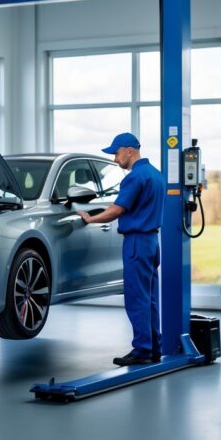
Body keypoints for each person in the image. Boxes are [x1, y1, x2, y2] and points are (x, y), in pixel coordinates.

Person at [77, 132, 166, 366]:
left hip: (136, 242)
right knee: (150, 297)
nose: (115, 159)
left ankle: (142, 350)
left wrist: (90, 219)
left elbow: (117, 210)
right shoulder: (157, 175)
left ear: (129, 150)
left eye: (116, 153)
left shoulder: (135, 177)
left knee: (137, 297)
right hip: (152, 241)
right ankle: (154, 346)